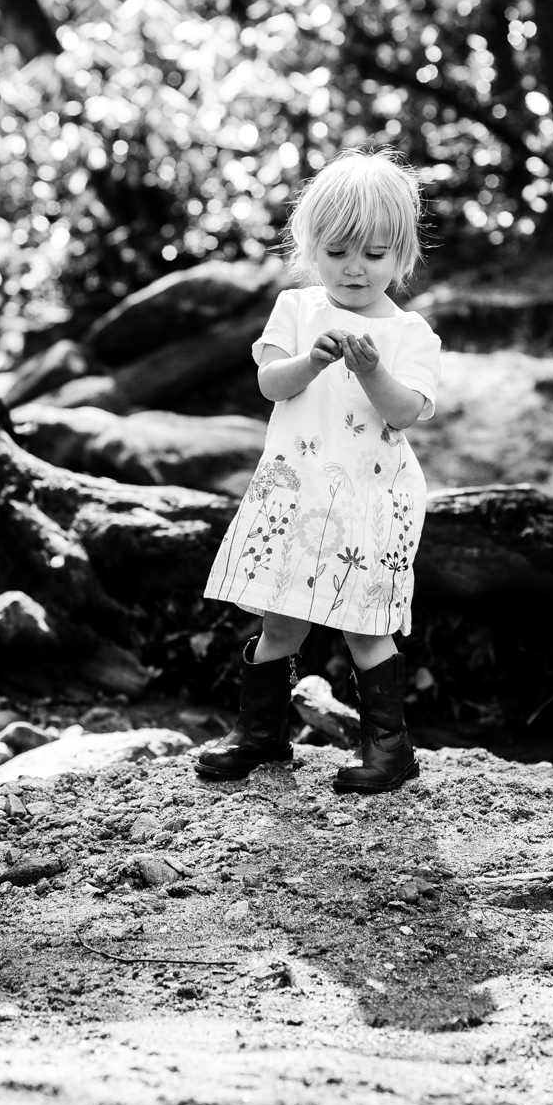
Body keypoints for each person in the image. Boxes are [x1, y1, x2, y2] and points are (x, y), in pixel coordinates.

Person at [199, 148, 442, 794]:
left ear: (402, 256)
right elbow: (270, 383)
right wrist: (311, 361)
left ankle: (389, 748)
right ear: (310, 249)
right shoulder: (299, 309)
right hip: (298, 492)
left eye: (373, 253)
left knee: (366, 624)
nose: (354, 268)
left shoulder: (410, 333)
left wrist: (370, 371)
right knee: (281, 616)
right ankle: (261, 735)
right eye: (337, 252)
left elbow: (408, 410)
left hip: (370, 496)